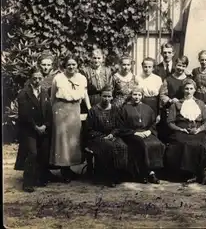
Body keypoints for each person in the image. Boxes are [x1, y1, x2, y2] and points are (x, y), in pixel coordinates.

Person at [50, 54, 91, 183]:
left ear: (77, 65)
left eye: (74, 64)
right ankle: (64, 170)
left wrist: (90, 109)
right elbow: (52, 97)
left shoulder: (81, 78)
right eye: (69, 65)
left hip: (75, 110)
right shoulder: (58, 78)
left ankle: (69, 169)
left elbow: (85, 94)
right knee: (62, 140)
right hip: (61, 109)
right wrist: (52, 113)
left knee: (73, 140)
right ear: (64, 66)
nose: (71, 67)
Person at [15, 67, 53, 192]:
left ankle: (40, 178)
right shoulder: (24, 93)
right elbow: (24, 114)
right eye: (34, 78)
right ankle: (28, 182)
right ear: (30, 79)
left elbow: (49, 112)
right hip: (30, 130)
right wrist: (36, 127)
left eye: (39, 78)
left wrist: (45, 126)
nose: (37, 80)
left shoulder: (44, 92)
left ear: (42, 79)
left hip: (43, 128)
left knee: (43, 152)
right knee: (32, 153)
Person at [117, 87, 165, 184]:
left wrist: (149, 131)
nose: (137, 97)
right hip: (131, 133)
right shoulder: (125, 108)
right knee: (140, 144)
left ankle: (153, 172)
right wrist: (135, 133)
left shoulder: (148, 108)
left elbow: (153, 123)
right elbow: (121, 126)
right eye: (135, 94)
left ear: (142, 96)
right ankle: (143, 173)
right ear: (131, 95)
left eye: (139, 95)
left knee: (156, 144)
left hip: (146, 132)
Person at [165, 79, 206, 183]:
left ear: (195, 90)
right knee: (182, 143)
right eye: (186, 88)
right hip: (181, 129)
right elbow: (170, 122)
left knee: (197, 144)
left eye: (191, 89)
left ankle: (195, 173)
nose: (188, 91)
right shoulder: (176, 104)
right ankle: (183, 174)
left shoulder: (200, 103)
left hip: (197, 130)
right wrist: (180, 129)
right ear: (183, 90)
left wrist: (199, 130)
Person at [85, 85, 128, 187]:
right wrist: (102, 136)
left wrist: (112, 134)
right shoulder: (93, 111)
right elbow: (89, 130)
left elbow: (119, 126)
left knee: (122, 146)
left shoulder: (115, 109)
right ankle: (109, 177)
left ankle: (119, 175)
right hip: (96, 138)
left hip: (112, 136)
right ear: (100, 96)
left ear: (112, 97)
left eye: (109, 96)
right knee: (109, 147)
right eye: (104, 96)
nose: (106, 99)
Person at [157, 56, 191, 143]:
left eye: (183, 66)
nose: (180, 68)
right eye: (179, 65)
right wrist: (170, 100)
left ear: (186, 67)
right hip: (170, 107)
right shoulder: (168, 79)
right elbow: (162, 95)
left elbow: (191, 92)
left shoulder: (188, 79)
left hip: (184, 108)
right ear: (175, 65)